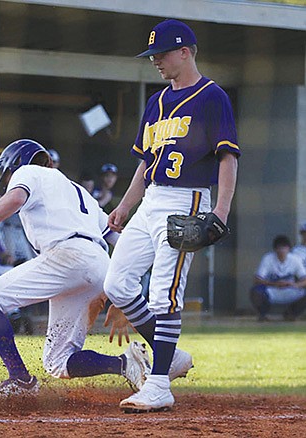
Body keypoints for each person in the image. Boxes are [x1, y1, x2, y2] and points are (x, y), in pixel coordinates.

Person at [103, 19, 240, 413]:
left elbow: (228, 157)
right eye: (152, 56)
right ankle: (173, 355)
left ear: (185, 51)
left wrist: (220, 211)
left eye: (161, 54)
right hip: (150, 201)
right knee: (118, 283)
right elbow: (146, 164)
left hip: (187, 200)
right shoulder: (156, 102)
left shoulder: (212, 96)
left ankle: (159, 384)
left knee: (164, 292)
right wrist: (125, 206)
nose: (155, 61)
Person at [0, 139, 150, 402]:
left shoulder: (28, 171)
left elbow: (15, 197)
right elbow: (120, 240)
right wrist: (124, 289)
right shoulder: (77, 191)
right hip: (98, 263)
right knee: (58, 362)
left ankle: (20, 379)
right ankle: (125, 364)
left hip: (68, 256)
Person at [251, 235, 306, 322]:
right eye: (279, 248)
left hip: (290, 289)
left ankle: (291, 314)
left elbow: (304, 279)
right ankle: (263, 315)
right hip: (272, 289)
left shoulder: (295, 259)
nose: (282, 250)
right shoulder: (268, 258)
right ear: (275, 249)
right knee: (256, 292)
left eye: (284, 247)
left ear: (288, 249)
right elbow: (257, 279)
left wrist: (295, 284)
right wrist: (274, 284)